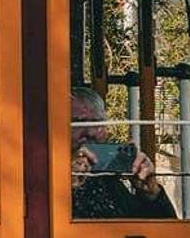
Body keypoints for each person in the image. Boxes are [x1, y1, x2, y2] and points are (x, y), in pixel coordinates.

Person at [71, 87, 176, 219]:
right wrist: (70, 184)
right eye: (79, 123)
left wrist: (152, 194)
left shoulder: (110, 179)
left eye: (97, 122)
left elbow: (163, 234)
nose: (90, 132)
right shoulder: (47, 177)